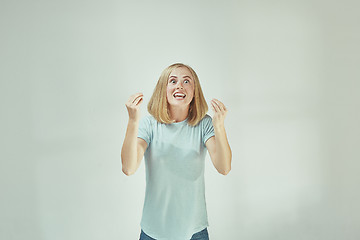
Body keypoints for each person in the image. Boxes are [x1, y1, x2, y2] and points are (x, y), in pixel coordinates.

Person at [121, 63, 232, 240]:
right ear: (163, 89)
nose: (179, 85)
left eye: (186, 81)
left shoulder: (204, 124)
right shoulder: (149, 125)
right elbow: (128, 168)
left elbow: (224, 167)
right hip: (153, 231)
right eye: (173, 81)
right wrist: (133, 121)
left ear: (195, 91)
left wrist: (219, 126)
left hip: (195, 231)